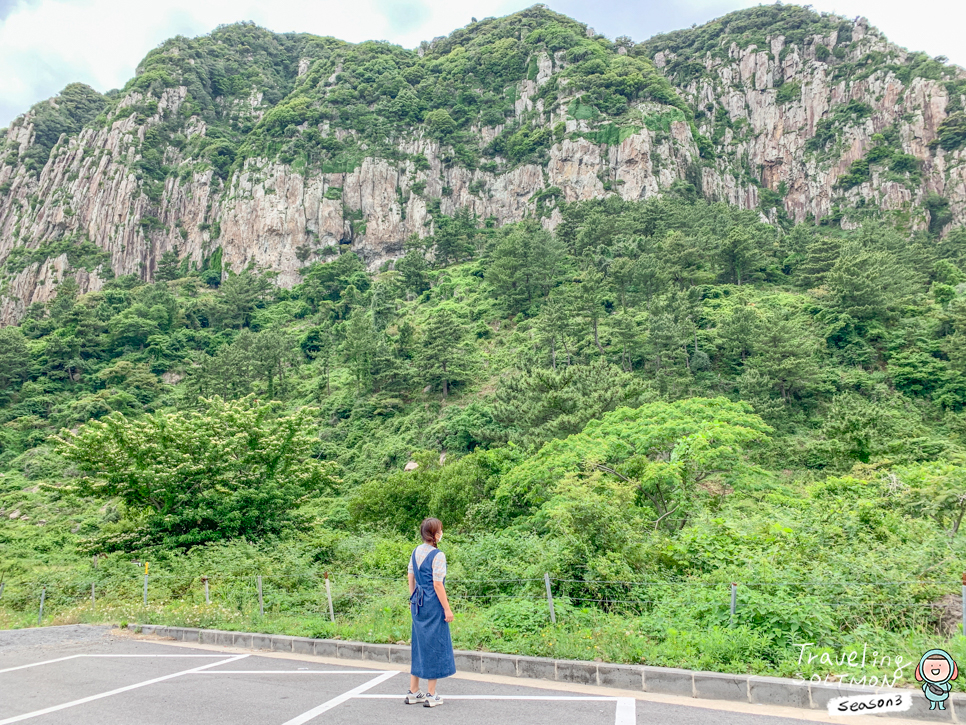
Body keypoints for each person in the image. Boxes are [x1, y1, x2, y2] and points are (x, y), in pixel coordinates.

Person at [405, 517, 456, 708]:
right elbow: (437, 584)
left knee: (419, 644)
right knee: (434, 644)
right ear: (434, 534)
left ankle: (413, 691)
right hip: (433, 603)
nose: (441, 533)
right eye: (440, 530)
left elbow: (411, 576)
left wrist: (412, 598)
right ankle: (431, 694)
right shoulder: (438, 555)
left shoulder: (415, 551)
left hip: (418, 601)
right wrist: (447, 608)